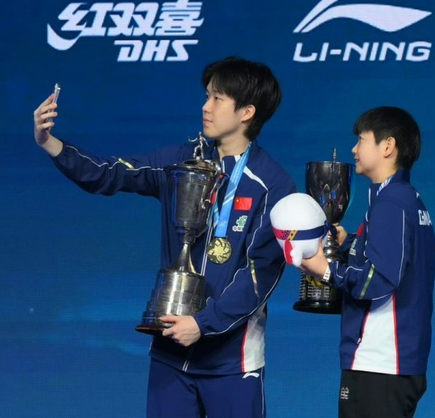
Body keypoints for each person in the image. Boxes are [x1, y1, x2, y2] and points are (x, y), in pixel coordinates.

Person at [33, 57, 296, 418]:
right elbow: (111, 173)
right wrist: (50, 143)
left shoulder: (273, 185)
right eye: (206, 96)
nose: (205, 107)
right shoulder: (181, 162)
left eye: (217, 99)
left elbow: (258, 275)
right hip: (170, 352)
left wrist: (202, 324)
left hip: (231, 364)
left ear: (247, 112)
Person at [300, 106, 435, 418]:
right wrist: (350, 243)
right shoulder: (406, 199)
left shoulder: (391, 202)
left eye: (361, 140)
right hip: (393, 363)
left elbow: (381, 278)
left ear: (387, 146)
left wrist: (327, 270)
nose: (354, 149)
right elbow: (401, 262)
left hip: (380, 363)